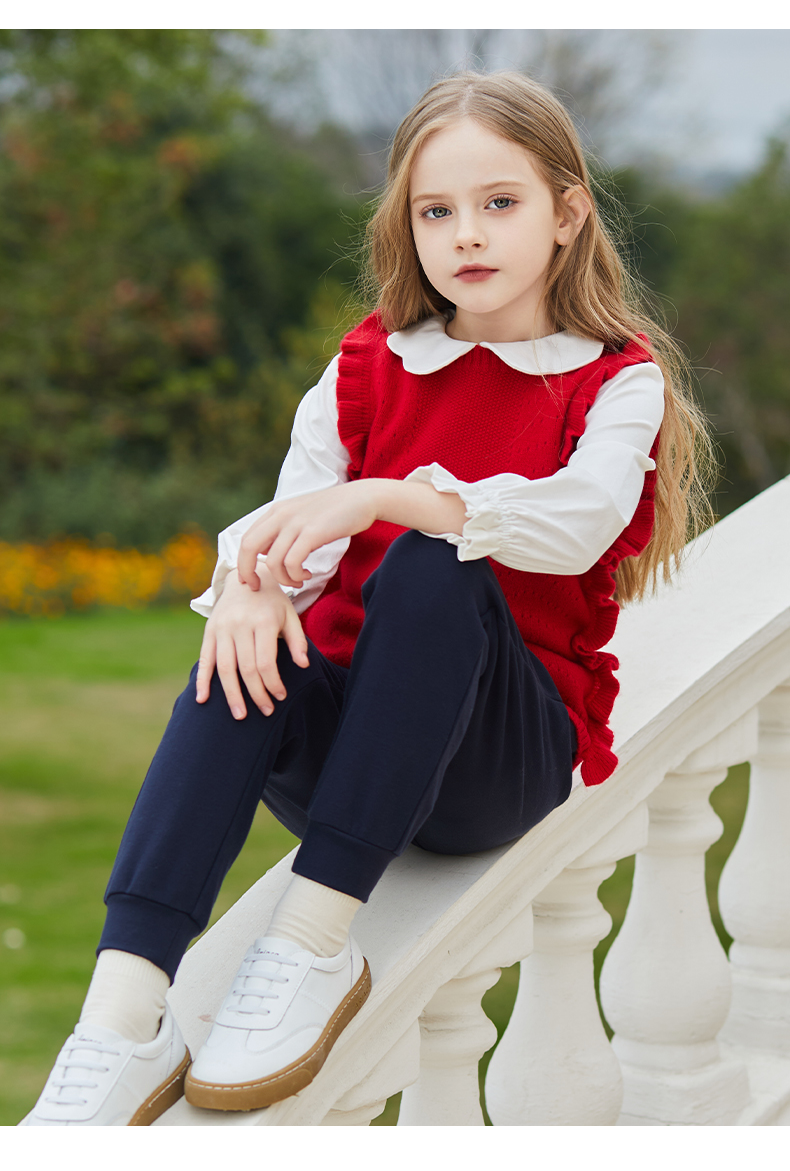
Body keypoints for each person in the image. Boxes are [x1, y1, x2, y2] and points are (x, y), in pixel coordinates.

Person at [21, 70, 713, 1126]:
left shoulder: (614, 380)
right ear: (407, 224)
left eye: (500, 202)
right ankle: (121, 1017)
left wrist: (391, 495)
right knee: (239, 651)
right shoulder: (366, 367)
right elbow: (288, 520)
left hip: (495, 761)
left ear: (568, 213)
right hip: (353, 756)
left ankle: (312, 944)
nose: (465, 234)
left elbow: (576, 521)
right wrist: (248, 588)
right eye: (436, 211)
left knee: (435, 562)